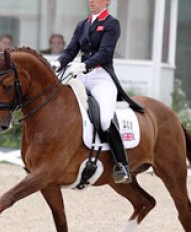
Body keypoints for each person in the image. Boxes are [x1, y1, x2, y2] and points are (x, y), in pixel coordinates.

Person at [51, 0, 144, 184]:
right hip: (81, 75)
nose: (91, 1)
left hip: (101, 77)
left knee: (103, 119)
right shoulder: (83, 24)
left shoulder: (111, 24)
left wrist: (85, 65)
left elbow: (105, 53)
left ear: (107, 1)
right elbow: (71, 50)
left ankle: (122, 164)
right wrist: (58, 63)